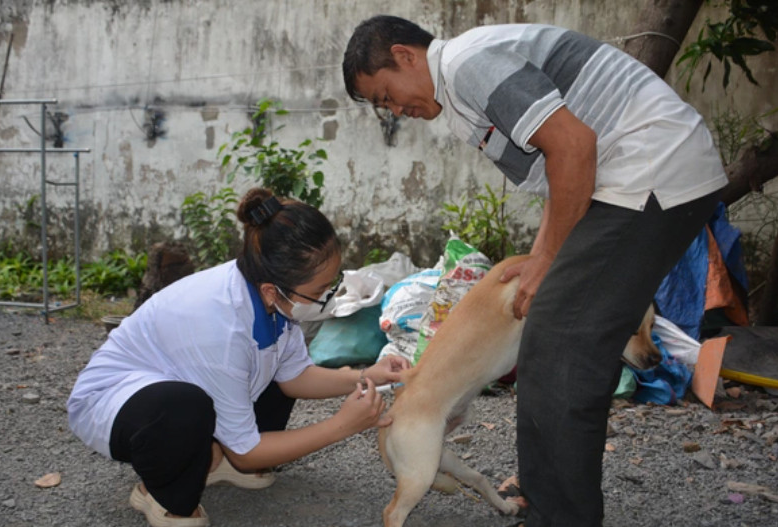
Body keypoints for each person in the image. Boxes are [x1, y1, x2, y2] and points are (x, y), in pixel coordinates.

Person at [343, 16, 728, 527]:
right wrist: (544, 251)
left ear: (406, 55)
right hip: (633, 178)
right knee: (551, 331)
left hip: (649, 170)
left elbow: (573, 146)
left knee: (562, 343)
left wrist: (549, 258)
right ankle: (549, 500)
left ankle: (558, 514)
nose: (395, 112)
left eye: (386, 95)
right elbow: (559, 170)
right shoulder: (461, 90)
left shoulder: (466, 66)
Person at [67, 187, 409, 527]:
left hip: (176, 381)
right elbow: (250, 453)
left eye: (331, 286)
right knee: (185, 407)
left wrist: (367, 375)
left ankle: (214, 458)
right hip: (112, 402)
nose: (328, 299)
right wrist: (342, 425)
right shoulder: (221, 327)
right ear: (272, 291)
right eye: (320, 291)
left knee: (263, 372)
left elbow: (295, 377)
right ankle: (162, 494)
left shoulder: (270, 295)